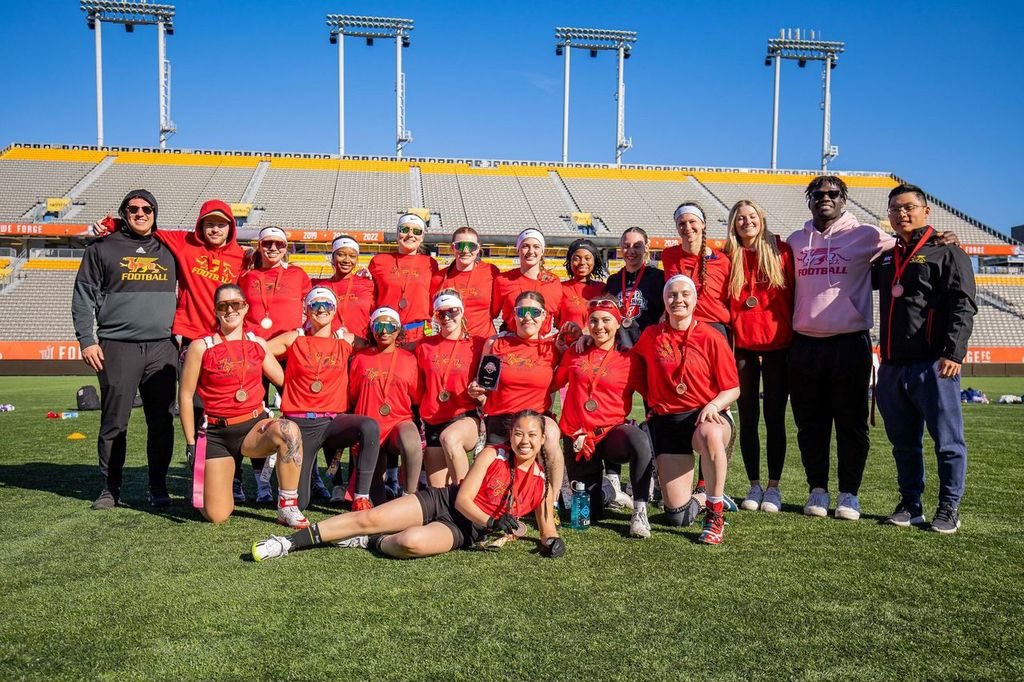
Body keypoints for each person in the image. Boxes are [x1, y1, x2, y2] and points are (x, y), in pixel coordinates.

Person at [251, 410, 565, 561]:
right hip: (445, 503)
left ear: (542, 440)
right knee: (369, 518)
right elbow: (462, 501)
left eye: (532, 435)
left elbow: (546, 527)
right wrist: (494, 521)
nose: (524, 441)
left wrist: (552, 543)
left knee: (410, 543)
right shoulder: (492, 454)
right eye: (519, 433)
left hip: (464, 532)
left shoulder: (543, 480)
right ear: (511, 436)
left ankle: (368, 542)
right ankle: (288, 542)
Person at [786, 176, 895, 521]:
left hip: (850, 342)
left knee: (851, 423)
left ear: (844, 199)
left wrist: (939, 238)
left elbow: (909, 245)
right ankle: (817, 489)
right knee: (810, 424)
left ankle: (850, 493)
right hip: (804, 343)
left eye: (833, 194)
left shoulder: (867, 235)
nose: (825, 199)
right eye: (818, 195)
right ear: (809, 201)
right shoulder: (795, 241)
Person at [874, 184, 976, 534]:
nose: (901, 214)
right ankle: (910, 503)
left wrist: (953, 351)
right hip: (892, 365)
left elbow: (963, 303)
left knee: (947, 441)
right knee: (903, 443)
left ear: (925, 210)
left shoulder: (946, 251)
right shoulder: (889, 255)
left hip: (933, 363)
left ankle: (949, 507)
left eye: (908, 207)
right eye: (894, 209)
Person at [72, 189, 178, 510]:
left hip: (163, 347)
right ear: (123, 213)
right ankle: (109, 488)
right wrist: (86, 339)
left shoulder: (170, 248)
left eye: (147, 208)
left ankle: (158, 486)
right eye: (133, 209)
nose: (141, 213)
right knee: (114, 421)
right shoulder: (102, 248)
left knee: (161, 421)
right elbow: (83, 294)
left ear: (155, 212)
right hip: (116, 346)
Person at [177, 284, 309, 528]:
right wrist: (191, 443)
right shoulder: (200, 346)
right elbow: (185, 397)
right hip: (217, 433)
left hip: (253, 427)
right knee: (217, 515)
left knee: (289, 430)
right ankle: (204, 483)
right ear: (215, 310)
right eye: (223, 305)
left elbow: (283, 382)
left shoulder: (257, 343)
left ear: (246, 307)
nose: (230, 310)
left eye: (236, 304)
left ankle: (287, 507)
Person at [631, 275, 740, 544]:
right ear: (665, 302)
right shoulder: (651, 336)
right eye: (672, 295)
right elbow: (631, 368)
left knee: (710, 434)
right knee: (677, 516)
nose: (678, 299)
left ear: (695, 300)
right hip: (668, 420)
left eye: (684, 294)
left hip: (705, 414)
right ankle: (706, 497)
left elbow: (733, 388)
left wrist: (714, 405)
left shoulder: (711, 337)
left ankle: (714, 515)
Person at [266, 287, 381, 510]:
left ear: (335, 309)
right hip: (300, 424)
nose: (321, 309)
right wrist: (282, 379)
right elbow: (258, 350)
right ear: (307, 310)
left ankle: (360, 496)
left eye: (326, 305)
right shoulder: (295, 338)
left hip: (332, 422)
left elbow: (378, 347)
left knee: (368, 426)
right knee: (300, 503)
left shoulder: (346, 341)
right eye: (315, 305)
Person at [554, 295, 654, 538]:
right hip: (577, 436)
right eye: (594, 321)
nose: (600, 327)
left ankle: (640, 510)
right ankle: (609, 490)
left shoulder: (629, 359)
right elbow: (551, 384)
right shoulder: (575, 353)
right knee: (590, 512)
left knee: (638, 440)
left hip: (610, 434)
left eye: (606, 320)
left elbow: (653, 395)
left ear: (618, 323)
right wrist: (557, 351)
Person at [722, 200, 795, 513]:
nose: (747, 222)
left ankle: (774, 487)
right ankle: (753, 485)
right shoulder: (729, 257)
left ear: (761, 220)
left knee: (775, 419)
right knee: (748, 419)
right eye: (741, 218)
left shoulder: (782, 251)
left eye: (752, 217)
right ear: (733, 224)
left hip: (780, 347)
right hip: (744, 351)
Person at [238, 226, 312, 500]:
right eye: (267, 243)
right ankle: (260, 482)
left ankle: (305, 475)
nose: (272, 248)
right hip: (256, 356)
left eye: (278, 244)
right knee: (255, 415)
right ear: (259, 246)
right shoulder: (247, 277)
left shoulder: (298, 275)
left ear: (286, 247)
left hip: (289, 354)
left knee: (298, 412)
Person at [469, 290, 565, 499]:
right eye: (522, 311)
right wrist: (476, 390)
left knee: (551, 437)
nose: (527, 317)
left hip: (535, 419)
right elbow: (483, 384)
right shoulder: (496, 343)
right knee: (491, 496)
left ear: (544, 316)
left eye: (534, 312)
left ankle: (553, 500)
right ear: (513, 314)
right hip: (501, 420)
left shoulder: (553, 347)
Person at [348, 307, 424, 507]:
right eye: (379, 325)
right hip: (369, 427)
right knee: (376, 501)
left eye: (390, 325)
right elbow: (354, 393)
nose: (384, 331)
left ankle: (410, 497)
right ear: (372, 328)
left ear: (399, 330)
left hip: (398, 422)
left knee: (411, 441)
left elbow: (415, 396)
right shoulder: (360, 358)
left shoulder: (409, 359)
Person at [416, 290, 485, 486]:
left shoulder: (478, 344)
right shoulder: (424, 346)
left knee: (451, 438)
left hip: (464, 416)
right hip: (433, 421)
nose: (447, 317)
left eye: (452, 311)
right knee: (437, 492)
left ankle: (466, 501)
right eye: (441, 313)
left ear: (462, 311)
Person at [662, 203, 732, 338]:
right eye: (682, 223)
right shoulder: (668, 256)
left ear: (703, 224)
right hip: (679, 324)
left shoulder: (722, 260)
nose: (687, 227)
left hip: (713, 327)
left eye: (692, 221)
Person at [368, 213, 439, 345]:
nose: (410, 235)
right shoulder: (379, 261)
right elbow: (370, 297)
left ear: (422, 237)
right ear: (397, 233)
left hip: (418, 333)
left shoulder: (430, 263)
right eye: (405, 230)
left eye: (416, 231)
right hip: (386, 331)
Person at [430, 226, 499, 338]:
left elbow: (495, 312)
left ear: (477, 248)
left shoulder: (491, 272)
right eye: (460, 246)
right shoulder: (439, 278)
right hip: (452, 342)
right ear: (453, 247)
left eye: (471, 246)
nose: (466, 250)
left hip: (483, 342)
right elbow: (433, 312)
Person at [491, 229, 563, 335]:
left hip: (542, 344)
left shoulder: (553, 282)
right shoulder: (503, 280)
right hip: (511, 342)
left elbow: (559, 318)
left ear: (542, 251)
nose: (531, 251)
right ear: (518, 250)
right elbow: (491, 313)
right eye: (525, 246)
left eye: (536, 247)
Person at [605, 227, 665, 349]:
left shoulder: (659, 278)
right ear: (621, 247)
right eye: (627, 246)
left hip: (649, 347)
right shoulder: (613, 281)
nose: (631, 251)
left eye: (637, 246)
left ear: (646, 248)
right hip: (619, 349)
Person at [313, 235, 375, 342]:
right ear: (332, 257)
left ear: (357, 259)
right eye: (341, 255)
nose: (347, 260)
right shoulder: (320, 287)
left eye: (352, 256)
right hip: (330, 346)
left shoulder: (369, 284)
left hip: (361, 346)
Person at [558, 238, 608, 330]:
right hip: (570, 343)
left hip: (596, 343)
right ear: (570, 261)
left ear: (594, 261)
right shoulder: (560, 288)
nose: (582, 262)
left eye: (587, 258)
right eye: (576, 258)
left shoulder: (603, 289)